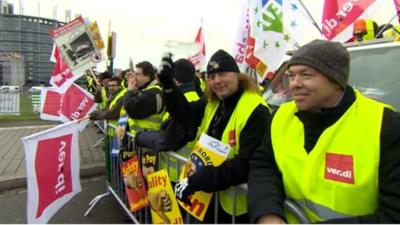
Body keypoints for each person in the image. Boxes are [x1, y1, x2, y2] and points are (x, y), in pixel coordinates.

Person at [248, 39, 400, 223]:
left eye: (306, 75)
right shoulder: (281, 116)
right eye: (291, 75)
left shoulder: (386, 126)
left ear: (336, 81)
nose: (295, 84)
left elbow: (394, 214)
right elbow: (264, 166)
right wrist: (267, 214)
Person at [157, 49, 271, 223]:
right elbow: (184, 114)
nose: (217, 81)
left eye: (222, 74)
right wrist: (169, 87)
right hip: (208, 196)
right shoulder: (213, 102)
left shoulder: (256, 110)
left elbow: (246, 164)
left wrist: (198, 181)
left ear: (238, 75)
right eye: (211, 76)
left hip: (235, 207)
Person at [122, 60, 165, 135]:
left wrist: (130, 91)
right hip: (141, 139)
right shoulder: (146, 90)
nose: (134, 77)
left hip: (147, 140)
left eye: (137, 74)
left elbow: (129, 108)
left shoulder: (153, 93)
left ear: (147, 76)